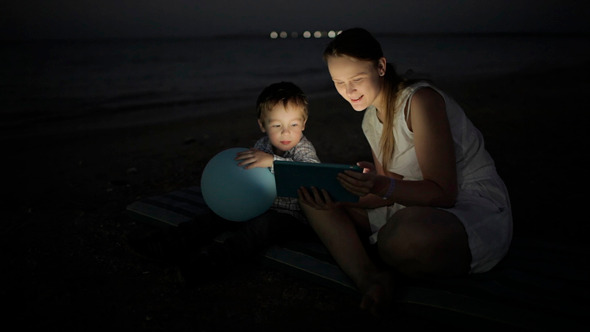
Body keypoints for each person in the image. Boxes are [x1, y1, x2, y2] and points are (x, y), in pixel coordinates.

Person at [297, 28, 513, 315]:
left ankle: (390, 255)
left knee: (405, 237)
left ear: (381, 67)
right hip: (410, 205)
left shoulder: (419, 101)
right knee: (314, 200)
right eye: (338, 82)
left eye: (357, 79)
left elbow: (444, 194)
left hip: (469, 206)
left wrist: (379, 185)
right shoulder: (370, 121)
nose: (348, 91)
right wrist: (349, 191)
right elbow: (387, 193)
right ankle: (369, 279)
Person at [180, 81, 321, 282]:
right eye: (277, 125)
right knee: (219, 215)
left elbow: (311, 173)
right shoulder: (261, 145)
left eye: (294, 124)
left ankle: (213, 262)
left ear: (304, 124)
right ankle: (175, 240)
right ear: (262, 125)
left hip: (293, 217)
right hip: (260, 206)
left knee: (258, 230)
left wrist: (272, 161)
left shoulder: (303, 148)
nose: (286, 132)